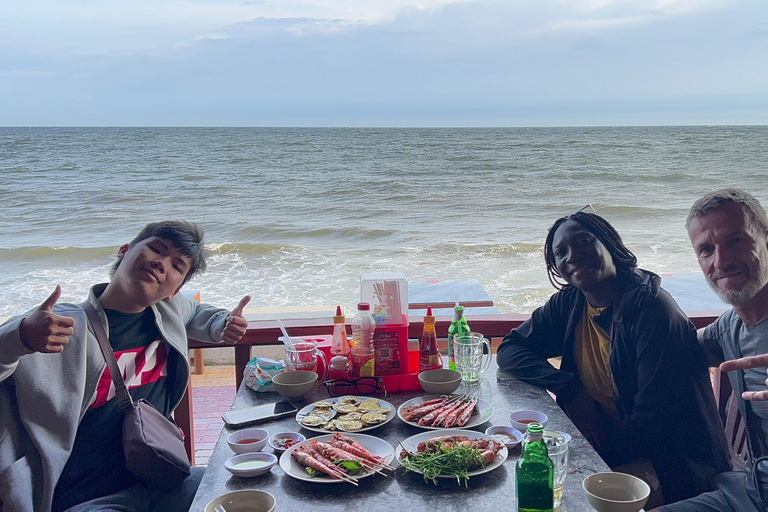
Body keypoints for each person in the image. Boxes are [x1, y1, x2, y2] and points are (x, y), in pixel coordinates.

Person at [0, 221, 251, 512]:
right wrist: (20, 337)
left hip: (164, 481)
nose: (161, 263)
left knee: (247, 491)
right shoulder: (58, 327)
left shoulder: (169, 309)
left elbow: (196, 311)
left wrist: (222, 324)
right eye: (156, 249)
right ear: (124, 251)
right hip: (86, 498)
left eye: (177, 266)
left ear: (174, 291)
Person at [497, 209, 731, 506]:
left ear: (610, 245)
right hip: (616, 441)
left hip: (674, 464)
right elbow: (510, 349)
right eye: (561, 252)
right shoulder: (571, 302)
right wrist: (569, 388)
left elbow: (653, 421)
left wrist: (587, 457)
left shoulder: (651, 310)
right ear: (556, 267)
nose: (573, 255)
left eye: (584, 241)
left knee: (545, 487)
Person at [652, 189, 768, 512]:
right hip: (749, 492)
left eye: (735, 241)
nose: (721, 261)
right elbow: (680, 345)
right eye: (706, 250)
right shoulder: (728, 328)